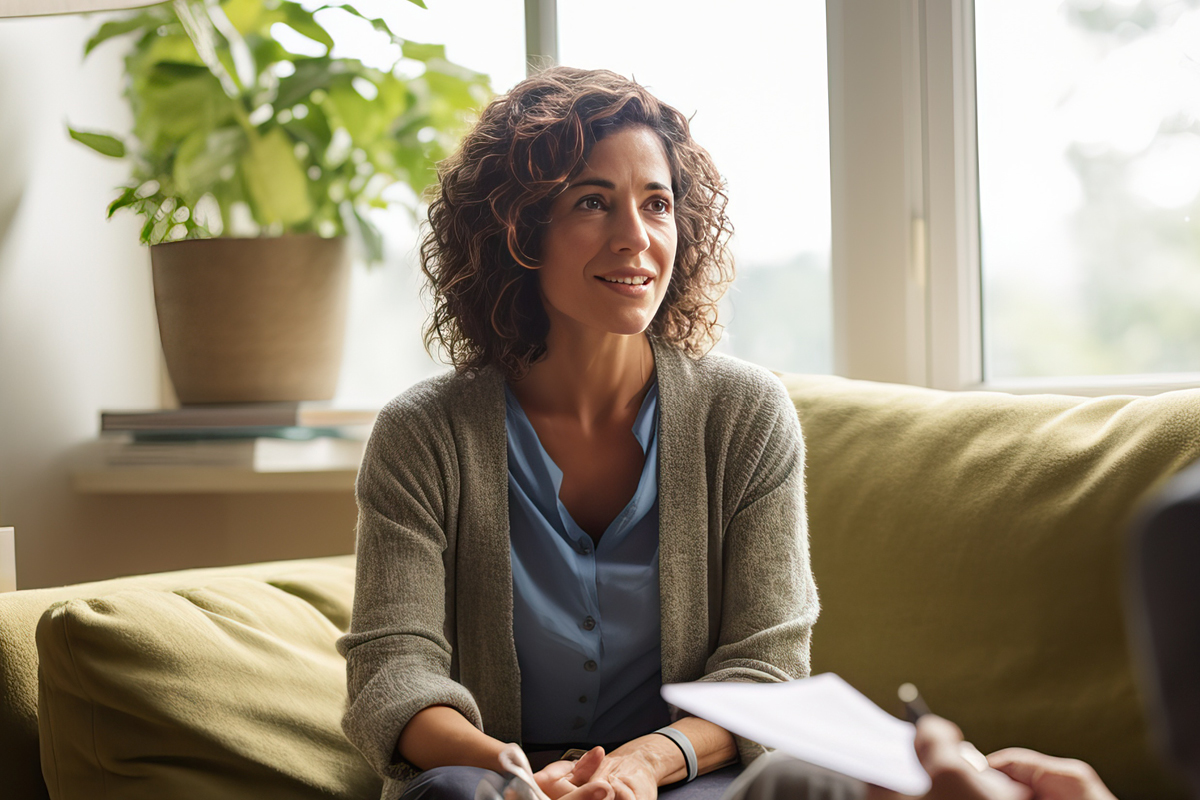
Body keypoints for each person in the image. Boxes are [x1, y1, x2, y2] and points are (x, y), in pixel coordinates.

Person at [336, 66, 819, 800]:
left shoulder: (746, 415)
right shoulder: (421, 433)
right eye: (593, 202)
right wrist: (519, 776)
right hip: (490, 775)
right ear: (517, 230)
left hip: (682, 773)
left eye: (657, 204)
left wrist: (643, 765)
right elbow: (391, 672)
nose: (636, 238)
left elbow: (770, 668)